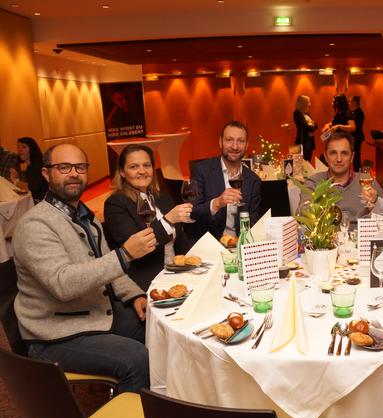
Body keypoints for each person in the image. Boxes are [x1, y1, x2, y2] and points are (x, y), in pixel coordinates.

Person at [13, 143, 157, 393]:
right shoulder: (35, 224)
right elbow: (63, 284)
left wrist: (134, 294)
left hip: (94, 313)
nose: (73, 173)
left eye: (80, 167)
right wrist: (125, 254)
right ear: (46, 173)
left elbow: (107, 266)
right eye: (64, 167)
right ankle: (134, 411)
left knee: (159, 329)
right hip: (54, 334)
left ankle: (165, 403)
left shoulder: (84, 216)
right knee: (136, 359)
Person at [103, 144, 193, 291]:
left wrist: (194, 263)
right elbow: (139, 248)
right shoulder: (115, 204)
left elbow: (180, 239)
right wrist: (168, 220)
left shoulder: (161, 196)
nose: (142, 171)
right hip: (147, 281)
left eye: (147, 165)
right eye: (134, 167)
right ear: (122, 172)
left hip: (177, 273)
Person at [190, 121, 261, 240]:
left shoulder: (253, 180)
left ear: (247, 145)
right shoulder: (201, 171)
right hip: (208, 243)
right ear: (220, 142)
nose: (235, 146)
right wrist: (217, 203)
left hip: (239, 243)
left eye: (241, 141)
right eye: (229, 140)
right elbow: (192, 212)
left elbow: (254, 220)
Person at [303, 131, 383, 227]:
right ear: (325, 156)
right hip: (326, 236)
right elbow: (303, 213)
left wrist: (375, 203)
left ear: (352, 157)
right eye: (333, 153)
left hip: (361, 235)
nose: (339, 159)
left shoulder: (367, 182)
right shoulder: (314, 183)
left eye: (344, 153)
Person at [9, 137, 47, 202]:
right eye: (18, 147)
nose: (20, 149)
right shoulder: (31, 166)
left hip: (42, 202)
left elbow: (32, 188)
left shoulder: (37, 165)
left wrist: (15, 180)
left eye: (24, 147)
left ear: (32, 149)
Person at [293, 95, 318, 162]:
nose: (310, 104)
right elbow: (305, 126)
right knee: (299, 163)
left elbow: (316, 125)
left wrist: (311, 125)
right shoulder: (297, 113)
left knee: (307, 162)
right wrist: (311, 125)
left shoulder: (306, 114)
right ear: (304, 103)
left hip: (309, 142)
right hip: (301, 141)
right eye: (309, 102)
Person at [350, 96, 365, 171]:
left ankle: (357, 171)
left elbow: (357, 126)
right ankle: (356, 171)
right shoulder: (353, 112)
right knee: (354, 156)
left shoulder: (359, 112)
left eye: (351, 101)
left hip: (357, 137)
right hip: (354, 137)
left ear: (355, 102)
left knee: (356, 156)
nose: (349, 103)